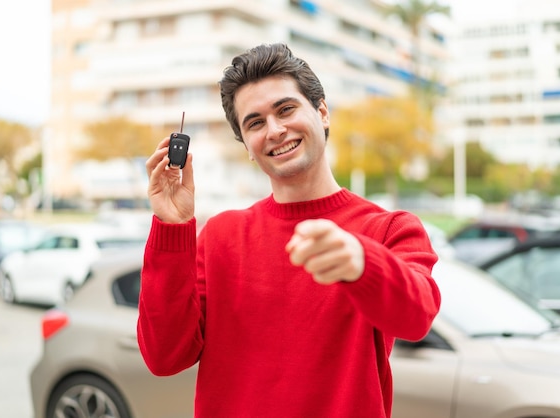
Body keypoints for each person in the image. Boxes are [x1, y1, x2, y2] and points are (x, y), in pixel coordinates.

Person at [137, 43, 441, 418]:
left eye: (286, 109)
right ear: (247, 146)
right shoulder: (220, 237)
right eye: (255, 122)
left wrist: (363, 262)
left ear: (322, 112)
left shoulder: (389, 229)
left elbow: (416, 317)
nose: (276, 130)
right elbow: (164, 357)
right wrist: (172, 225)